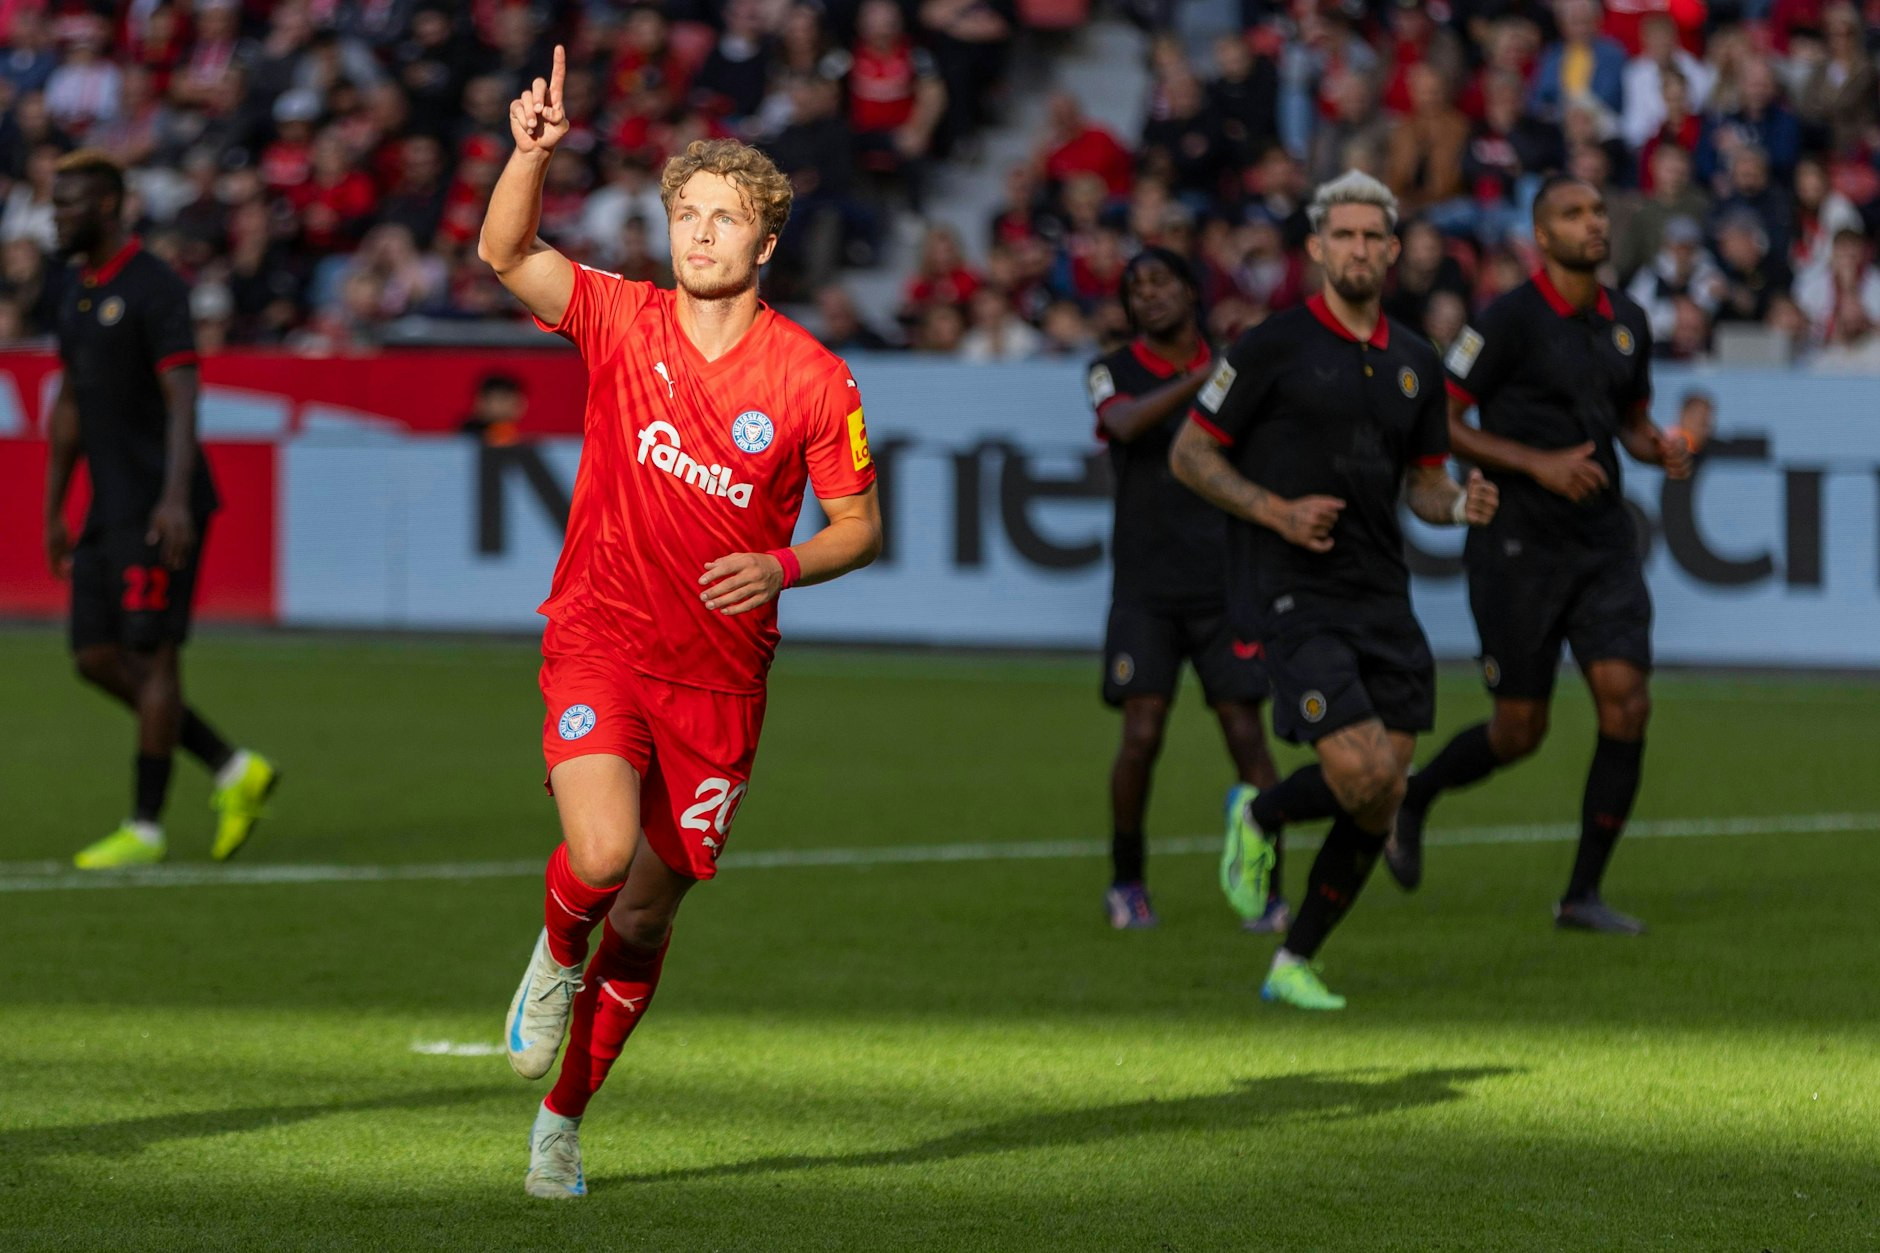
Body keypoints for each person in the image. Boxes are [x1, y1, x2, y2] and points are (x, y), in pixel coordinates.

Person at [478, 49, 882, 1200]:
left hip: (717, 681)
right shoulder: (619, 318)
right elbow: (504, 253)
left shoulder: (813, 379)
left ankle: (561, 1121)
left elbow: (857, 526)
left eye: (727, 219)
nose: (701, 233)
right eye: (688, 213)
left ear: (765, 246)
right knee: (599, 857)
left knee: (648, 919)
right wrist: (530, 155)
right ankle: (553, 958)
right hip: (600, 632)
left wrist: (784, 562)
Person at [1169, 170, 1498, 1010]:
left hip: (1382, 593)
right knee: (1358, 775)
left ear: (1393, 251)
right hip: (1292, 587)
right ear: (1317, 247)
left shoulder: (1417, 362)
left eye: (1372, 237)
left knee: (1385, 789)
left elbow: (1423, 485)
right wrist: (1275, 511)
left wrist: (1460, 502)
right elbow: (1191, 455)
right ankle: (1261, 816)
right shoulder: (1270, 345)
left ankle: (1292, 958)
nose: (1358, 249)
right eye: (1342, 235)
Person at [1389, 174, 1714, 935]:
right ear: (1542, 236)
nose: (1593, 222)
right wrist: (1535, 464)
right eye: (1573, 213)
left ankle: (1581, 895)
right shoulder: (1505, 321)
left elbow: (1628, 420)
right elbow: (1441, 418)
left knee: (1628, 703)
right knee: (1518, 732)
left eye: (1599, 210)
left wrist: (1660, 445)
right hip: (1517, 542)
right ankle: (1417, 794)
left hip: (1600, 538)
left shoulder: (1627, 321)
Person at [42, 150, 279, 870]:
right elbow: (72, 403)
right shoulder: (76, 290)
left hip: (159, 507)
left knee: (153, 654)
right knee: (93, 656)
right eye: (54, 203)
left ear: (110, 207)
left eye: (70, 203)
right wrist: (56, 505)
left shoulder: (154, 288)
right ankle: (234, 766)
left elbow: (184, 397)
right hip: (106, 507)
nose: (57, 215)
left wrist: (176, 497)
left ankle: (144, 826)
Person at [1087, 247, 1279, 932]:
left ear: (1193, 291)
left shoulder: (1240, 368)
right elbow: (1123, 423)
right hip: (1147, 590)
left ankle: (1266, 886)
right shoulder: (1113, 370)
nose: (1149, 295)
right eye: (1136, 287)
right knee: (1141, 735)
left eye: (1162, 281)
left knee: (1246, 736)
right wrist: (1205, 375)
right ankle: (1127, 881)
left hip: (1225, 583)